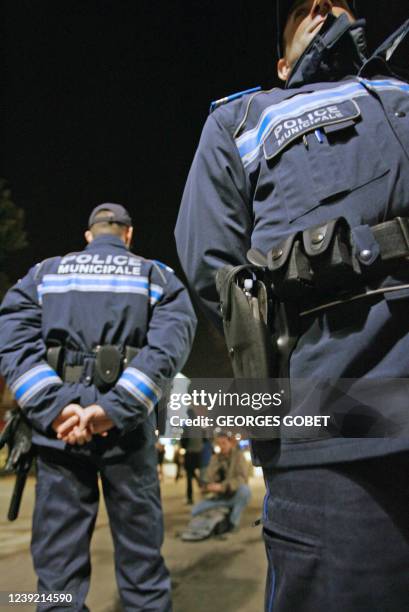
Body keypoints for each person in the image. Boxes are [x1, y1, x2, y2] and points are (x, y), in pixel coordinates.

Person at [175, 1, 409, 610]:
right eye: (304, 10)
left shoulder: (399, 89)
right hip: (337, 417)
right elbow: (213, 269)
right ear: (282, 65)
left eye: (335, 4)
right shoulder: (243, 117)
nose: (323, 7)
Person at [0, 203, 197, 611]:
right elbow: (169, 347)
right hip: (125, 429)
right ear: (128, 234)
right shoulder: (155, 276)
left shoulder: (44, 274)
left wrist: (56, 408)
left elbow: (13, 342)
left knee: (58, 567)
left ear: (89, 235)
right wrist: (117, 406)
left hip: (60, 431)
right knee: (142, 560)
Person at [191, 432, 251, 531]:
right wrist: (206, 486)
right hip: (220, 497)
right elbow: (207, 478)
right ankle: (224, 511)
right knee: (195, 511)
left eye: (224, 443)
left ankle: (233, 522)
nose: (221, 446)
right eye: (219, 444)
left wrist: (222, 487)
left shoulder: (239, 456)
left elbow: (242, 479)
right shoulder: (215, 458)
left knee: (245, 491)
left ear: (230, 443)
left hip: (234, 494)